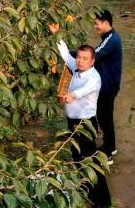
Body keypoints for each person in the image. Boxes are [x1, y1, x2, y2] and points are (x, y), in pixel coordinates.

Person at [49, 10, 122, 159]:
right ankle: (109, 148)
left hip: (108, 87)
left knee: (104, 119)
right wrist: (57, 36)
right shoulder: (80, 65)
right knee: (102, 118)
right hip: (102, 88)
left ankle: (108, 151)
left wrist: (78, 55)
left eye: (97, 23)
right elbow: (67, 56)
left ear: (106, 22)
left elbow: (95, 55)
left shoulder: (112, 39)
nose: (95, 26)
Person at [54, 41, 114, 208]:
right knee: (78, 159)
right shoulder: (77, 67)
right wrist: (56, 34)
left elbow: (84, 91)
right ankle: (88, 191)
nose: (80, 61)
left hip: (85, 124)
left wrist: (72, 94)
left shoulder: (94, 78)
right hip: (73, 123)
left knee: (89, 161)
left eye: (85, 58)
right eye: (79, 57)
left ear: (92, 61)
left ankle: (103, 200)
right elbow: (66, 55)